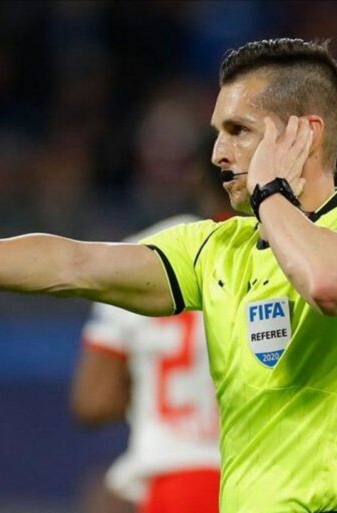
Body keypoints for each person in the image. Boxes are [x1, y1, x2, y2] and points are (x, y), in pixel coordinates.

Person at [0, 38, 337, 513]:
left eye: (238, 131)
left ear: (305, 135)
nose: (218, 153)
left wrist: (272, 193)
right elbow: (74, 264)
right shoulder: (215, 249)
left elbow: (329, 285)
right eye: (217, 132)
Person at [71, 164, 231, 513]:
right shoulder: (294, 254)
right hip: (268, 476)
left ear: (198, 179)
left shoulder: (141, 251)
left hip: (174, 477)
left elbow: (93, 400)